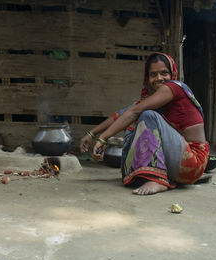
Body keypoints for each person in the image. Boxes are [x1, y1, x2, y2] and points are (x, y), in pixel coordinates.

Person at [80, 52, 209, 195]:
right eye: (153, 75)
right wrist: (92, 134)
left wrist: (103, 138)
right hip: (177, 161)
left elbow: (134, 112)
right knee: (136, 117)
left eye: (164, 73)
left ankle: (157, 179)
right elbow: (123, 114)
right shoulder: (154, 98)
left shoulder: (175, 87)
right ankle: (148, 174)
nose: (159, 78)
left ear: (172, 74)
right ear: (147, 78)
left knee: (147, 116)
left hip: (192, 161)